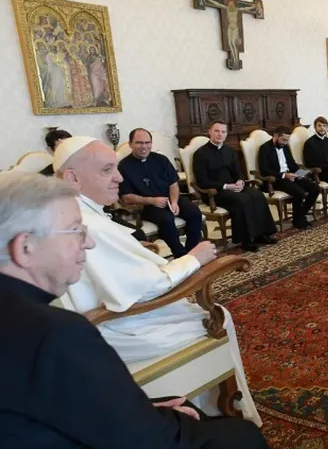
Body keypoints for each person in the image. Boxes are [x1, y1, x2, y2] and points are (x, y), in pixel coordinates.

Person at [0, 172, 268, 449]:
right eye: (75, 230)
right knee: (243, 436)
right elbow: (151, 441)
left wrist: (138, 409)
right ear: (25, 246)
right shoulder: (58, 334)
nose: (89, 242)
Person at [52, 136, 261, 426]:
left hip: (93, 322)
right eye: (107, 170)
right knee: (217, 316)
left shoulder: (66, 210)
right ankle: (217, 413)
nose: (119, 177)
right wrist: (194, 259)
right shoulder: (88, 225)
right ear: (73, 177)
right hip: (116, 328)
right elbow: (148, 287)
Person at [192, 122, 278, 252]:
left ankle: (261, 234)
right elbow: (202, 180)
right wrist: (226, 186)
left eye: (223, 132)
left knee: (257, 195)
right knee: (243, 200)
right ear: (210, 132)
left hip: (233, 186)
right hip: (214, 191)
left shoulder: (229, 150)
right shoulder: (200, 154)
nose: (220, 134)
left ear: (226, 134)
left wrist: (240, 181)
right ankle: (246, 240)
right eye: (217, 131)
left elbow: (237, 172)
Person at [118, 128, 203, 257]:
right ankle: (180, 254)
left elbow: (173, 184)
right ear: (130, 144)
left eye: (147, 142)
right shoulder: (123, 166)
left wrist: (174, 202)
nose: (144, 147)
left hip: (170, 199)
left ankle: (192, 251)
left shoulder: (161, 159)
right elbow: (126, 197)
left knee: (195, 212)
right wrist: (152, 201)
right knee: (166, 219)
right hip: (147, 206)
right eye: (139, 143)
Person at [257, 125, 320, 229]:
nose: (285, 143)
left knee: (315, 188)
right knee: (299, 192)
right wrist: (284, 175)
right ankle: (298, 220)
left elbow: (292, 164)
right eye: (283, 140)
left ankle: (300, 216)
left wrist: (301, 173)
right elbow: (264, 170)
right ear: (276, 136)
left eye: (287, 140)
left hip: (290, 175)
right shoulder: (264, 148)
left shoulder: (285, 146)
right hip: (276, 179)